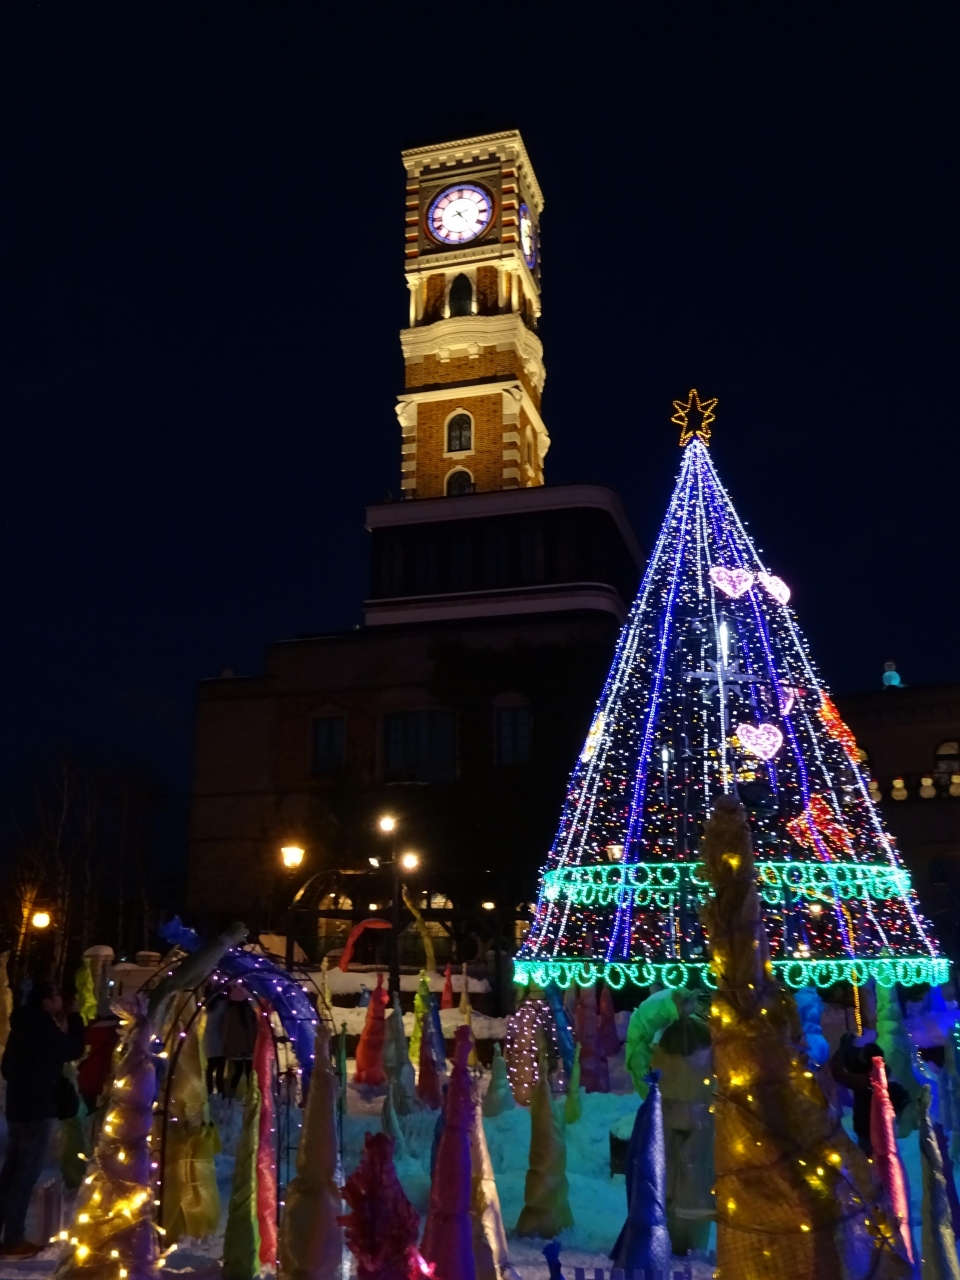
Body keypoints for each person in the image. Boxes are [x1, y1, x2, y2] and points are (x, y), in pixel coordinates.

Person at [0, 980, 85, 1256]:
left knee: (12, 1173)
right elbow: (72, 1049)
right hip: (37, 1109)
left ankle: (8, 1234)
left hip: (18, 1108)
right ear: (45, 1001)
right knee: (25, 1175)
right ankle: (13, 1238)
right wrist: (75, 1017)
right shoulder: (41, 1025)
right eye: (57, 996)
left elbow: (7, 1068)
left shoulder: (21, 1026)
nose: (61, 1000)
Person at [830, 1033, 909, 1154]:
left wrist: (843, 1049)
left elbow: (840, 1074)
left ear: (866, 1060)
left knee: (871, 1159)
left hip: (867, 1129)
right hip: (882, 1128)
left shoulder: (868, 1080)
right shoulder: (882, 1073)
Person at [221, 983, 257, 1095]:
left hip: (236, 1047)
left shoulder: (230, 1012)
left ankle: (231, 1093)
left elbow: (225, 1030)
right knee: (249, 1071)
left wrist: (226, 1045)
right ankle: (251, 1093)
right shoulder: (251, 1011)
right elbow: (255, 1029)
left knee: (237, 1071)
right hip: (250, 1046)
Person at [203, 986, 228, 1095]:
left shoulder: (210, 1005)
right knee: (220, 1069)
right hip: (220, 1040)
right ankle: (221, 1091)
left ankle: (209, 1091)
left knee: (210, 1068)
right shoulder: (223, 1004)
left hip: (210, 1040)